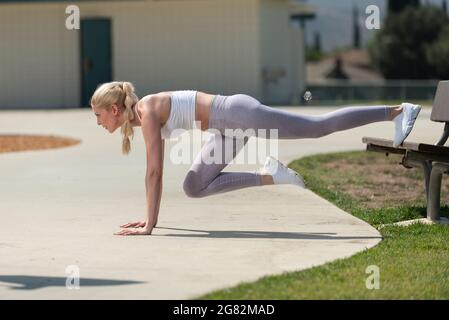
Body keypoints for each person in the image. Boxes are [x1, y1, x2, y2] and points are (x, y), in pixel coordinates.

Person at [90, 81, 421, 236]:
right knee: (194, 185)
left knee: (317, 127)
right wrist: (151, 220)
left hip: (237, 114)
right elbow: (155, 174)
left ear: (115, 109)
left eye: (99, 116)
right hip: (227, 129)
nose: (99, 122)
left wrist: (149, 224)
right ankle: (272, 175)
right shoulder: (140, 114)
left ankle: (396, 111)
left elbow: (154, 173)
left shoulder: (146, 112)